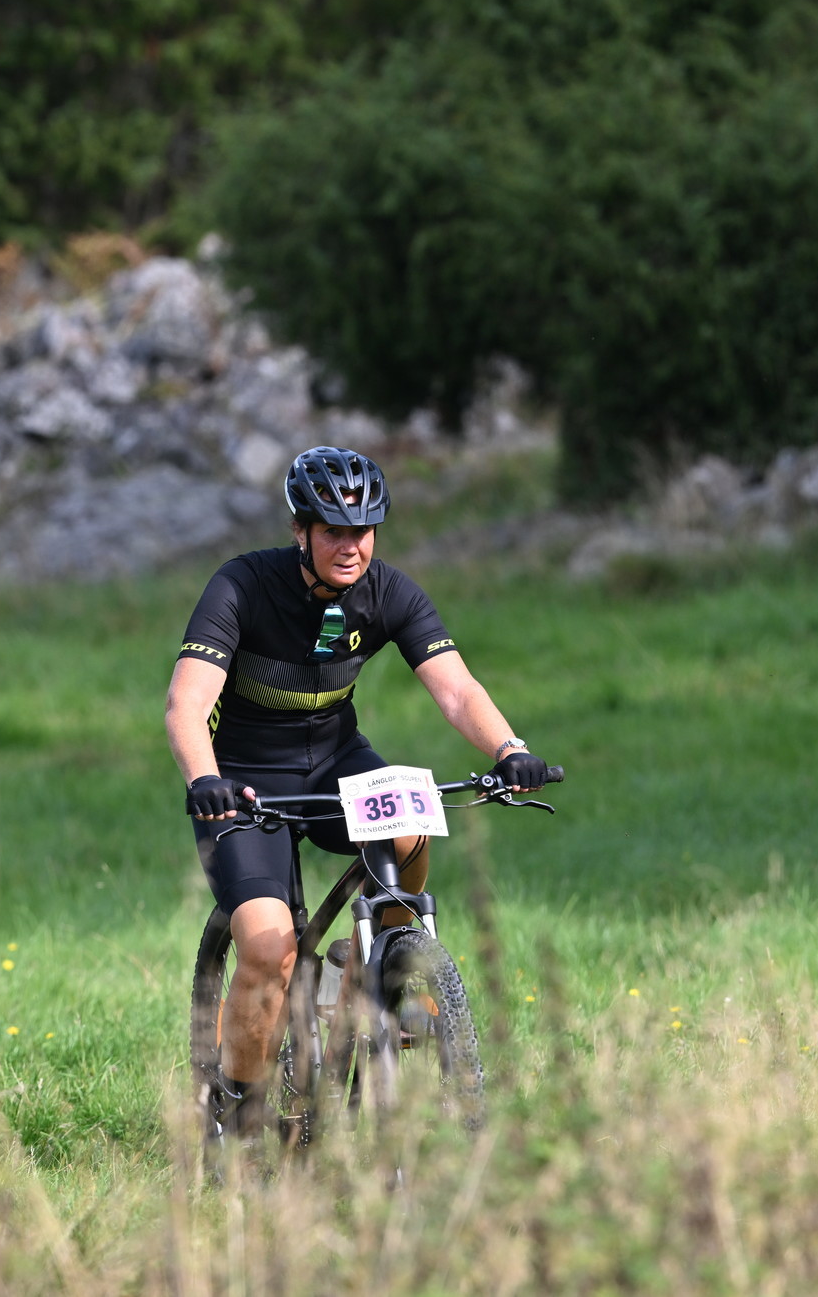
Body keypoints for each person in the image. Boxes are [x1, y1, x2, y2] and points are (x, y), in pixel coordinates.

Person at [164, 446, 552, 1136]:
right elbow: (186, 704)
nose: (352, 546)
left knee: (411, 823)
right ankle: (237, 1113)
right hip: (242, 781)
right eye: (334, 531)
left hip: (336, 761)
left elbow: (458, 690)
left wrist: (510, 750)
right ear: (301, 530)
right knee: (269, 948)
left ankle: (377, 971)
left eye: (364, 530)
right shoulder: (242, 586)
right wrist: (205, 779)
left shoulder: (389, 592)